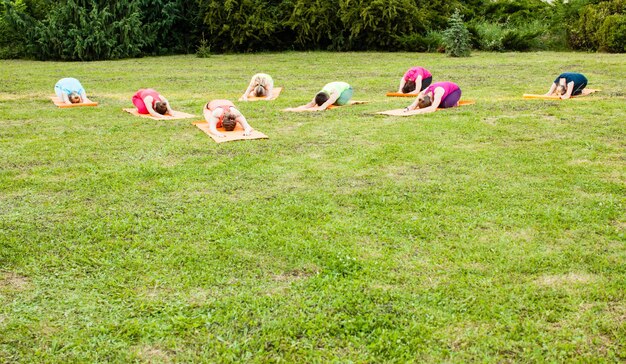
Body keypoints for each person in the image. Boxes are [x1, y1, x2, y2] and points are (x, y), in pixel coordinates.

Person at [286, 82, 353, 111]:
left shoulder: (334, 92)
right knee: (334, 102)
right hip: (334, 86)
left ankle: (346, 99)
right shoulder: (319, 93)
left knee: (339, 102)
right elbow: (311, 104)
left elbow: (328, 102)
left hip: (347, 88)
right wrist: (299, 108)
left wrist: (322, 107)